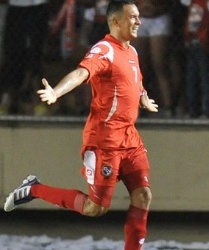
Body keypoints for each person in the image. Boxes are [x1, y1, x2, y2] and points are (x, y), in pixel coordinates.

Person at [4, 1, 158, 250]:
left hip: (129, 138)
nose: (139, 21)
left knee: (143, 195)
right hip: (104, 140)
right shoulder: (104, 50)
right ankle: (34, 189)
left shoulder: (132, 51)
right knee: (95, 209)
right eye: (133, 17)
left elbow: (134, 82)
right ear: (116, 21)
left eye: (139, 17)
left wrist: (143, 98)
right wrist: (56, 92)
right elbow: (80, 74)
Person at [0, 0, 49, 114]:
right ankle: (8, 99)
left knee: (36, 54)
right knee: (12, 54)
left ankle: (39, 100)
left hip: (38, 6)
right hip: (15, 6)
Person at [133, 0, 175, 118]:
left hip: (159, 17)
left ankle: (168, 106)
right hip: (139, 17)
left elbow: (171, 4)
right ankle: (139, 105)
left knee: (159, 64)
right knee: (139, 66)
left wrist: (157, 7)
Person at [180, 0, 209, 118]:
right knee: (191, 77)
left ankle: (207, 110)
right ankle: (193, 110)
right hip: (191, 41)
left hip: (204, 43)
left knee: (205, 77)